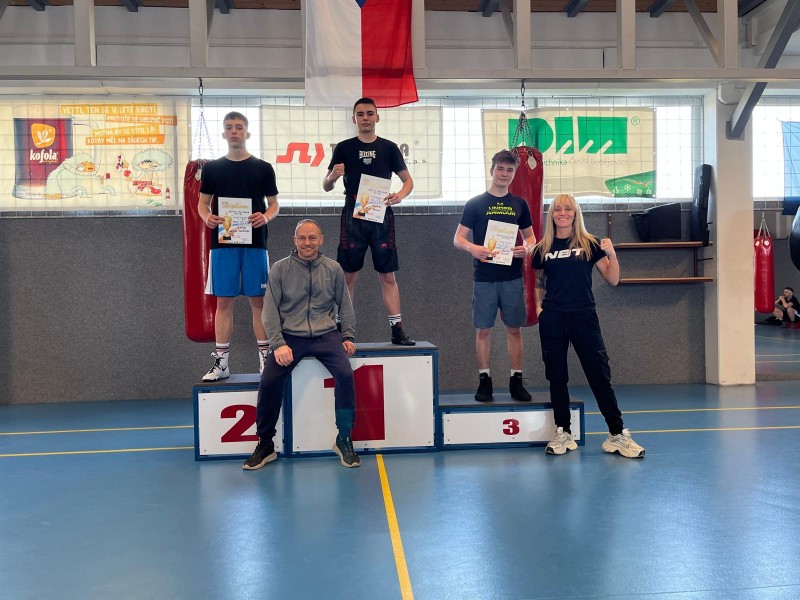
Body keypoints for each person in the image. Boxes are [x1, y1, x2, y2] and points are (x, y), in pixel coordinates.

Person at [530, 194, 644, 459]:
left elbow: (613, 279)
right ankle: (563, 432)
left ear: (575, 213)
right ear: (552, 214)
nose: (563, 213)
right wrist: (539, 310)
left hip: (583, 317)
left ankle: (616, 434)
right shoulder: (542, 248)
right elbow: (538, 282)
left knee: (598, 375)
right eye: (558, 209)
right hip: (553, 318)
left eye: (568, 209)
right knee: (557, 377)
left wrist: (612, 254)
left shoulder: (590, 243)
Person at [243, 220, 360, 470]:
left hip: (326, 335)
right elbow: (269, 311)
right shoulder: (280, 269)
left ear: (321, 240)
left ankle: (344, 438)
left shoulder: (334, 269)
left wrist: (348, 336)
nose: (307, 243)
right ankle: (265, 443)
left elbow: (346, 306)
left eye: (312, 238)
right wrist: (278, 344)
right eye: (302, 238)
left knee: (345, 375)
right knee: (269, 380)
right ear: (295, 240)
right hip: (290, 337)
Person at [322, 97, 416, 346]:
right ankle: (343, 331)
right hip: (353, 214)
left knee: (388, 276)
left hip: (380, 213)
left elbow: (408, 181)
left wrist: (400, 195)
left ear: (377, 117)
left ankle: (397, 329)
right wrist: (333, 176)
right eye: (361, 114)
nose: (365, 118)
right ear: (354, 118)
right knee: (347, 277)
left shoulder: (389, 148)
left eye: (370, 113)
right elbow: (326, 185)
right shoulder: (343, 148)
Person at [198, 112, 279, 381]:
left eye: (239, 127)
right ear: (224, 133)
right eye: (230, 127)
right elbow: (202, 203)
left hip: (255, 242)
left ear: (247, 133)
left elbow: (274, 204)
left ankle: (266, 359)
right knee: (224, 301)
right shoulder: (212, 168)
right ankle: (222, 363)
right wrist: (206, 217)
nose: (234, 131)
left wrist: (265, 216)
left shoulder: (263, 168)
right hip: (223, 242)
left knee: (259, 301)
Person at [453, 150, 537, 402]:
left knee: (514, 329)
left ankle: (516, 380)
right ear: (492, 170)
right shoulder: (475, 204)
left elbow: (531, 238)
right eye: (500, 168)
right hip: (485, 277)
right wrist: (472, 248)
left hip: (512, 277)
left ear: (514, 174)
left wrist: (527, 248)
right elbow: (458, 238)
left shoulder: (519, 204)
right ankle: (484, 381)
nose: (504, 173)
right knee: (484, 330)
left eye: (509, 170)